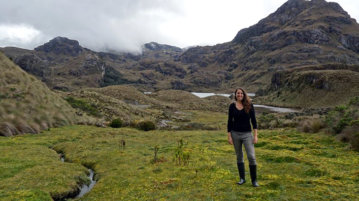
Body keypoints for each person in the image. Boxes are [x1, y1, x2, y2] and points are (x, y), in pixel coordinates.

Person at [227, 88, 259, 187]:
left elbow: (254, 121)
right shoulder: (232, 106)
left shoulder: (249, 105)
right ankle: (242, 179)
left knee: (251, 157)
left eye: (241, 93)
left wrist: (255, 135)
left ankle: (254, 181)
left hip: (247, 134)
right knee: (239, 156)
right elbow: (229, 122)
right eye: (238, 93)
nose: (239, 95)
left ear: (244, 94)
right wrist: (229, 136)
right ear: (235, 95)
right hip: (235, 134)